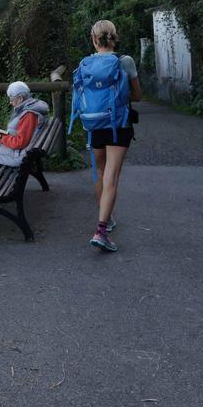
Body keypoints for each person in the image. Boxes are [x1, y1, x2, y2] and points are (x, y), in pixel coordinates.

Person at [75, 19, 141, 253]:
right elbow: (138, 95)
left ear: (94, 39)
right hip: (118, 124)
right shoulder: (125, 61)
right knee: (112, 177)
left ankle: (108, 218)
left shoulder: (85, 64)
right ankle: (101, 230)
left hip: (94, 124)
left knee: (100, 173)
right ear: (115, 37)